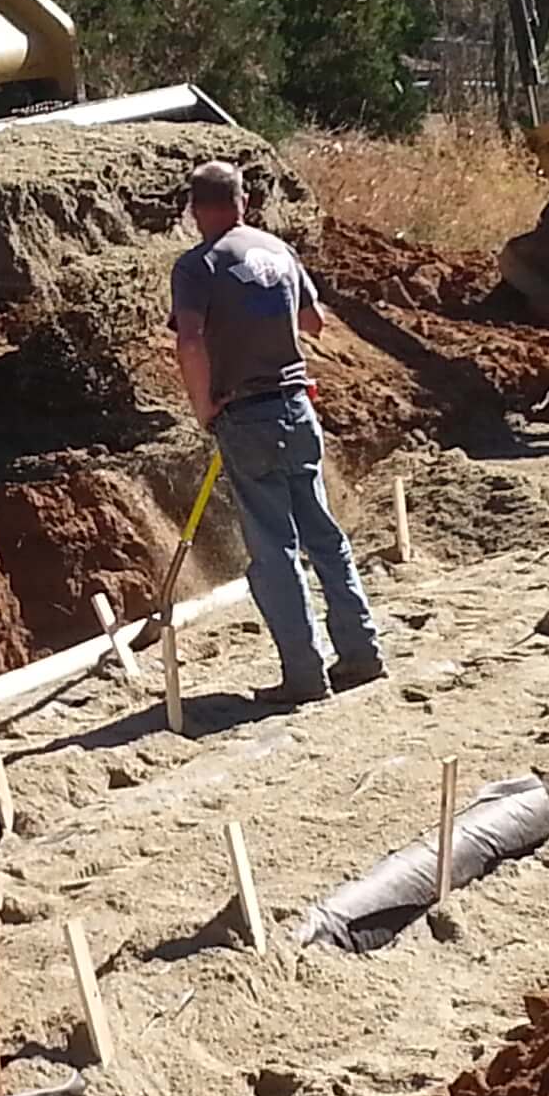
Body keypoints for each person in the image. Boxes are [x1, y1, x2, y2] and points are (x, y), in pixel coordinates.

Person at [168, 160, 384, 705]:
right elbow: (314, 323)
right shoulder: (278, 251)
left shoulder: (198, 267)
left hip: (245, 416)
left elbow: (189, 341)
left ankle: (305, 675)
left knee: (273, 551)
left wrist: (204, 406)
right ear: (244, 201)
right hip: (295, 406)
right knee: (324, 536)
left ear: (196, 210)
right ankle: (361, 651)